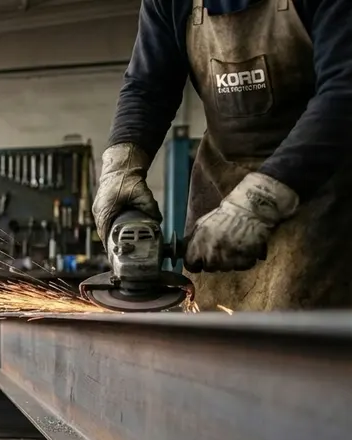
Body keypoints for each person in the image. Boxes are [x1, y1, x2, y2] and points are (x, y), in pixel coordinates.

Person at [92, 0, 352, 311]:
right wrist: (120, 169)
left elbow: (343, 91)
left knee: (304, 340)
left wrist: (258, 201)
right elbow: (148, 88)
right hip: (219, 185)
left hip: (324, 191)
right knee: (212, 332)